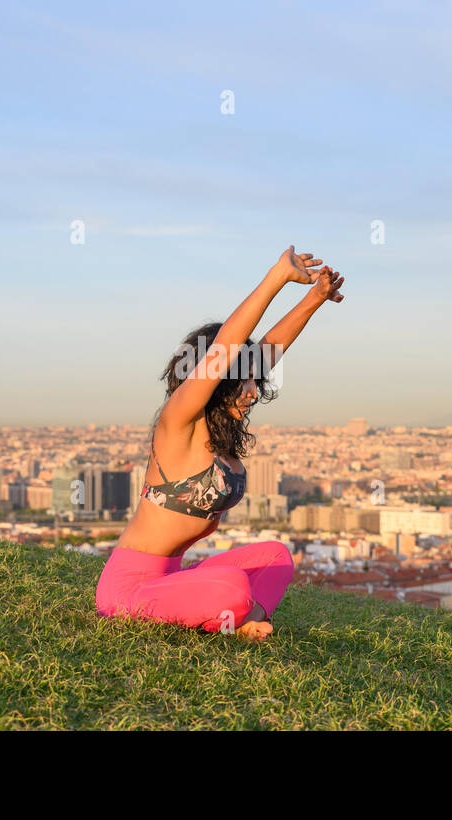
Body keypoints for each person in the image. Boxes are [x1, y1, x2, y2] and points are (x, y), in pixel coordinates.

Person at [95, 246, 346, 640]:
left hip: (171, 578)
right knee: (231, 585)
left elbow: (269, 349)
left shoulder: (218, 435)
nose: (251, 390)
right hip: (128, 591)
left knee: (276, 557)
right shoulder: (179, 424)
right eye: (242, 379)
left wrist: (313, 300)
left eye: (253, 379)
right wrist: (277, 277)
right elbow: (226, 346)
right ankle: (238, 616)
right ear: (216, 377)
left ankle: (240, 616)